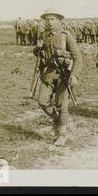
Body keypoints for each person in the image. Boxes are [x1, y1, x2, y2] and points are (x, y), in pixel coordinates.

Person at [33, 8, 83, 146]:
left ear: (59, 20)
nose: (49, 22)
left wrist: (75, 75)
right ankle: (57, 120)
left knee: (62, 105)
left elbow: (78, 57)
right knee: (42, 101)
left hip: (63, 76)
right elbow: (38, 53)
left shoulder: (65, 35)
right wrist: (37, 48)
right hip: (47, 74)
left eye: (52, 19)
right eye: (47, 19)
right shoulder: (43, 35)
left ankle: (62, 135)